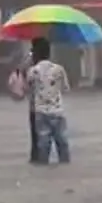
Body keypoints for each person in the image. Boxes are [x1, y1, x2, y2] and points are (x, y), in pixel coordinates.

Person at [26, 37, 70, 165]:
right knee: (62, 143)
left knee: (43, 144)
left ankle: (43, 165)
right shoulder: (59, 69)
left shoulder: (33, 71)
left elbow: (28, 90)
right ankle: (64, 166)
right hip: (57, 111)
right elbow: (66, 88)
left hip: (40, 112)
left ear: (35, 54)